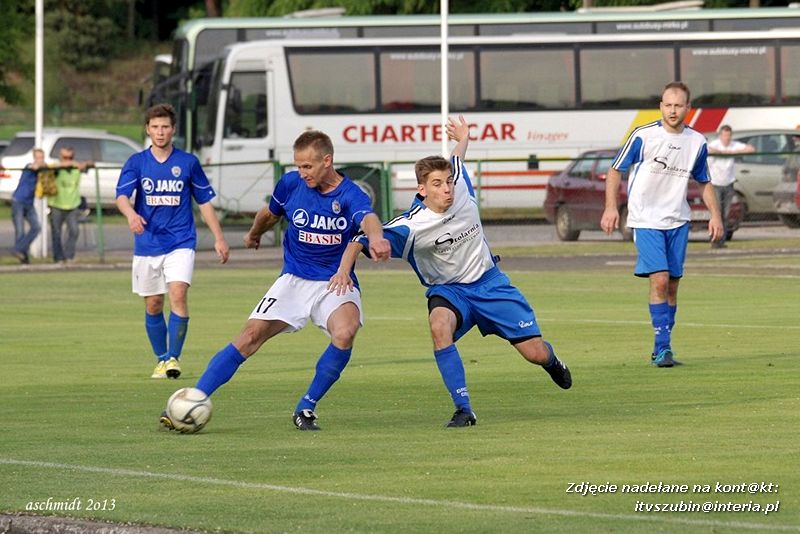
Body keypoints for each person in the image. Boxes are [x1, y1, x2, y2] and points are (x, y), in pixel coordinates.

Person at [331, 116, 572, 428]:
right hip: (450, 291)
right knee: (438, 325)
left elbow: (457, 159)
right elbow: (357, 241)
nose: (446, 189)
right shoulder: (409, 227)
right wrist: (343, 272)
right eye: (437, 184)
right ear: (421, 190)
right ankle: (464, 409)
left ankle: (552, 361)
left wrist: (463, 137)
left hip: (490, 284)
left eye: (447, 182)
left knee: (535, 353)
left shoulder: (462, 189)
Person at [160, 129, 390, 431]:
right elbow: (269, 214)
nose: (301, 172)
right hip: (293, 279)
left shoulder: (350, 194)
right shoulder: (291, 184)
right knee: (249, 338)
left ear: (327, 161)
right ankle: (193, 399)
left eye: (307, 166)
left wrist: (377, 238)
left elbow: (368, 218)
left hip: (334, 281)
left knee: (345, 332)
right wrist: (254, 234)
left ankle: (306, 407)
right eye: (298, 165)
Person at [600, 81, 723, 368]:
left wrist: (715, 215)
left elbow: (704, 181)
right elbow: (615, 170)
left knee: (673, 286)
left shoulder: (697, 142)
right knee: (660, 279)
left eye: (678, 105)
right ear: (660, 106)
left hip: (678, 220)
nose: (672, 110)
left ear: (688, 108)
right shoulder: (643, 136)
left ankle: (663, 348)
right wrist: (610, 208)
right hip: (646, 219)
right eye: (668, 104)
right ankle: (662, 348)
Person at [116, 103, 230, 380]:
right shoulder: (137, 162)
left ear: (173, 129)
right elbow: (121, 197)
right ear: (147, 129)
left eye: (165, 126)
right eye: (155, 126)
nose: (160, 131)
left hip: (181, 241)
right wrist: (131, 214)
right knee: (153, 304)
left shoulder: (188, 162)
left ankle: (173, 358)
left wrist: (219, 238)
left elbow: (204, 203)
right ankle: (161, 359)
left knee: (178, 294)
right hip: (147, 244)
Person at [707, 125, 754, 248]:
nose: (727, 138)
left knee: (726, 214)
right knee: (717, 213)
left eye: (728, 135)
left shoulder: (734, 145)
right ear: (720, 135)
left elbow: (750, 149)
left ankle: (721, 240)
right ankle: (714, 239)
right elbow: (708, 149)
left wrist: (733, 152)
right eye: (724, 135)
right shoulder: (715, 144)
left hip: (729, 184)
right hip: (716, 184)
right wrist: (722, 153)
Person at [49, 146, 92, 263]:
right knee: (56, 232)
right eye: (65, 157)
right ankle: (58, 257)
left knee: (74, 231)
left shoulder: (75, 167)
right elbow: (50, 168)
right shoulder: (57, 168)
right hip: (56, 204)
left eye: (70, 157)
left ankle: (69, 255)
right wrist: (65, 164)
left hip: (72, 205)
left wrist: (84, 164)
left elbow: (91, 163)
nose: (68, 160)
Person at [11, 148, 46, 263]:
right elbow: (33, 166)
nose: (40, 160)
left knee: (36, 227)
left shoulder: (42, 170)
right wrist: (38, 165)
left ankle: (19, 250)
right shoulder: (30, 166)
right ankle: (23, 258)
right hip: (19, 201)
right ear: (34, 158)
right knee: (20, 230)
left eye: (42, 157)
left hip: (29, 203)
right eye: (38, 158)